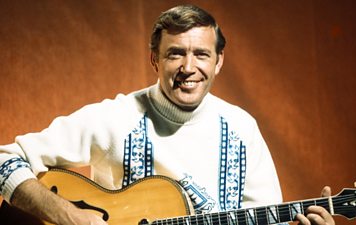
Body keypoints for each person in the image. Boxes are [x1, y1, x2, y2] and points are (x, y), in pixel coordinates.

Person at [0, 4, 335, 225]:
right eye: (176, 54)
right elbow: (5, 161)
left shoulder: (241, 129)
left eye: (201, 54)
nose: (189, 68)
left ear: (218, 61)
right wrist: (67, 215)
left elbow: (267, 218)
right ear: (154, 60)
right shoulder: (116, 118)